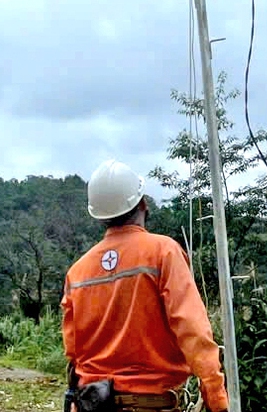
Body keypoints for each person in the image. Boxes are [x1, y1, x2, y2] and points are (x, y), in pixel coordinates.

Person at [60, 159, 228, 412]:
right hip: (152, 404)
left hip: (92, 404)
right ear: (142, 203)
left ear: (100, 217)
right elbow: (192, 330)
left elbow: (73, 351)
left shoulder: (78, 271)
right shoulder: (163, 252)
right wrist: (216, 399)